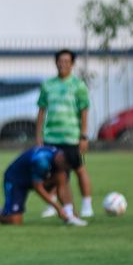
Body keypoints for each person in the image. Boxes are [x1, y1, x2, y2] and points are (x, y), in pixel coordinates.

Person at [36, 49, 93, 219]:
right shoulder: (47, 85)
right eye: (60, 61)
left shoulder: (78, 85)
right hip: (51, 137)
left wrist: (83, 136)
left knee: (79, 169)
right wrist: (38, 136)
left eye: (67, 61)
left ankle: (87, 205)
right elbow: (41, 110)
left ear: (72, 64)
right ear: (56, 63)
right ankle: (53, 205)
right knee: (52, 173)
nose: (63, 64)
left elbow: (84, 111)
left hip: (71, 137)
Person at [0, 146, 87, 226]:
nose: (67, 169)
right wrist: (57, 208)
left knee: (62, 177)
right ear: (62, 158)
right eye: (67, 166)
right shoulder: (42, 161)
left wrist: (68, 210)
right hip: (16, 180)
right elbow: (38, 188)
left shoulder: (61, 162)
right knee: (14, 221)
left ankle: (69, 215)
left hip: (37, 177)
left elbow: (62, 185)